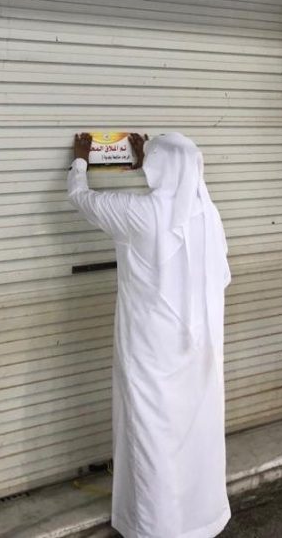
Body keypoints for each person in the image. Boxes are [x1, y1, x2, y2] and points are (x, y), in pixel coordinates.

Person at [67, 132, 232, 538]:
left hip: (148, 351)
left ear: (159, 167)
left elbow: (81, 199)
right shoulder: (208, 215)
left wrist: (81, 161)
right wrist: (150, 163)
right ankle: (199, 521)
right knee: (194, 434)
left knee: (150, 435)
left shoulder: (139, 213)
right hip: (196, 351)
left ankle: (155, 527)